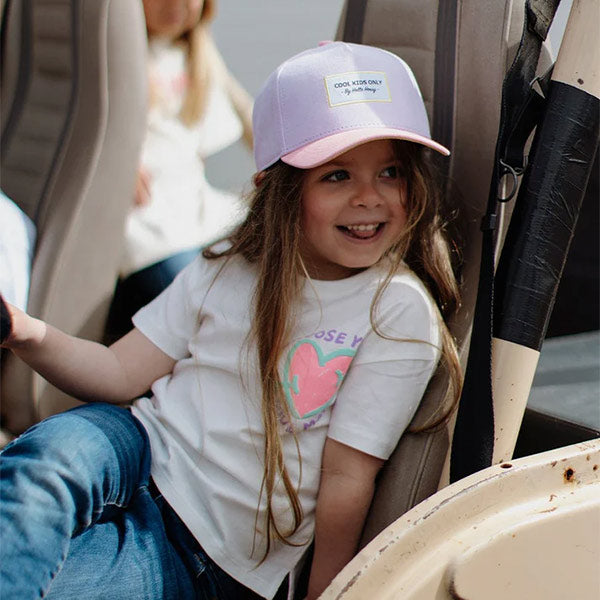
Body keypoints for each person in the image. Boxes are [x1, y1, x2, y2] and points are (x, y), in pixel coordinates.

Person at [0, 42, 462, 600]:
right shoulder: (231, 264)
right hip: (140, 445)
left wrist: (326, 594)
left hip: (203, 552)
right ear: (278, 191)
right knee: (47, 462)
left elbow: (346, 478)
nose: (370, 197)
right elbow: (119, 372)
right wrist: (23, 331)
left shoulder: (395, 312)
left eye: (390, 172)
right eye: (338, 176)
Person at [107, 0, 254, 339]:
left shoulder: (198, 54)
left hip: (196, 213)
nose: (177, 4)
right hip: (149, 229)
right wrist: (118, 158)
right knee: (199, 300)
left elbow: (247, 115)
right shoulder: (117, 50)